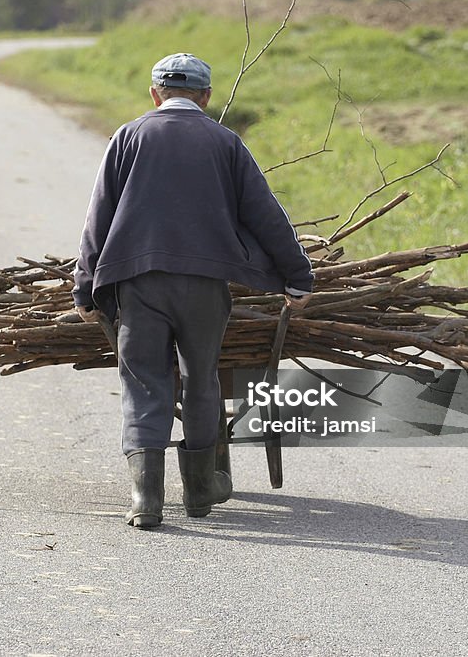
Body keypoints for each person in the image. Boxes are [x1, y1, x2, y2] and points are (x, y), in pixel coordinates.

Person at [73, 53, 313, 529]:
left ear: (154, 94)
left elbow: (98, 215)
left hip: (140, 282)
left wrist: (85, 287)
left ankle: (146, 498)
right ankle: (200, 490)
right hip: (205, 285)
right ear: (205, 97)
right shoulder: (226, 142)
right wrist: (297, 278)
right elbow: (264, 213)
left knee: (143, 381)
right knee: (201, 378)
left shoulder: (129, 137)